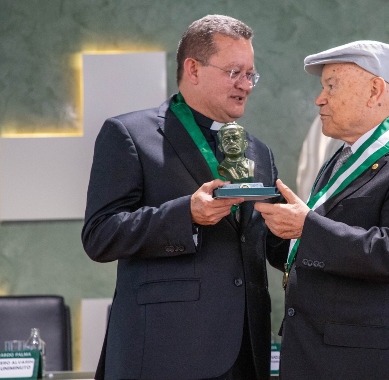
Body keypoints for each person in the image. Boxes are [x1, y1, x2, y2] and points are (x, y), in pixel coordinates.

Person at [81, 15, 288, 380]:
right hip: (166, 352)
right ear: (193, 69)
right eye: (234, 72)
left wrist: (301, 230)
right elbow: (100, 236)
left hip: (247, 352)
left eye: (250, 75)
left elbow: (264, 244)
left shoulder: (259, 151)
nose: (246, 85)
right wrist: (186, 215)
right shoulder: (129, 134)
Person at [255, 40, 389, 379]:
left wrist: (306, 227)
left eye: (331, 86)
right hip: (314, 358)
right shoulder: (342, 161)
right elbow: (319, 250)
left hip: (367, 366)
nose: (320, 98)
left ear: (375, 90)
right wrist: (268, 222)